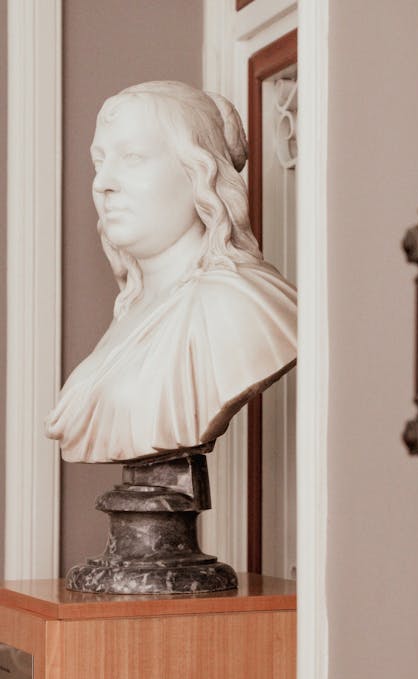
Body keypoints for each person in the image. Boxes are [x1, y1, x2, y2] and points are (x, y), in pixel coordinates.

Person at [46, 81, 297, 463]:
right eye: (100, 161)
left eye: (132, 157)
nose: (102, 183)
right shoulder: (131, 313)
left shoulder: (234, 305)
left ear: (200, 170)